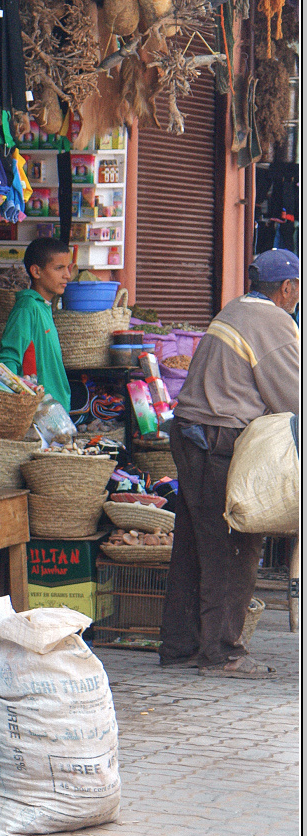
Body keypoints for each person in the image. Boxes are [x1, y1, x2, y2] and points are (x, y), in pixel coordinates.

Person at [159, 248, 301, 679]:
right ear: (287, 288)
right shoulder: (273, 321)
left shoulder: (235, 308)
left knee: (193, 543)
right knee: (234, 545)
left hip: (191, 432)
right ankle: (223, 654)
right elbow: (292, 396)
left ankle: (180, 645)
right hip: (219, 440)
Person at [0, 237, 73, 412]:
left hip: (56, 410)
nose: (67, 275)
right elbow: (9, 358)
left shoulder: (43, 307)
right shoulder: (26, 308)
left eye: (67, 268)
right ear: (36, 272)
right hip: (38, 413)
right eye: (59, 268)